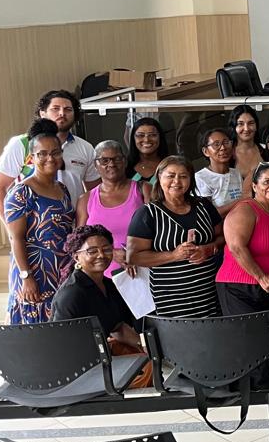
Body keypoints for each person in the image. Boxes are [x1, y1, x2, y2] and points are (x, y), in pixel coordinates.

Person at [51, 225, 153, 389]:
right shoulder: (72, 293)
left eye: (106, 249)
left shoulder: (108, 285)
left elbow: (118, 327)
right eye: (92, 251)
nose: (101, 255)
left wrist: (146, 345)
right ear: (77, 257)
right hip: (77, 366)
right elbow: (61, 344)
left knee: (148, 363)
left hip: (101, 356)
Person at [126, 155, 224, 319]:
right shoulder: (148, 213)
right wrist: (173, 255)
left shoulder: (204, 206)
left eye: (183, 176)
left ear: (191, 180)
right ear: (159, 177)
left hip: (210, 295)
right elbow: (133, 256)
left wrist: (208, 249)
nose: (177, 181)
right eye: (170, 176)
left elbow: (222, 237)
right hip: (172, 301)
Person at [217, 163, 269, 333]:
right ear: (254, 186)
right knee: (249, 341)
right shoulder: (245, 209)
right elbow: (236, 247)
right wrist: (261, 277)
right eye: (267, 181)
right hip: (241, 288)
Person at [4, 122, 76, 324]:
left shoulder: (62, 188)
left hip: (60, 270)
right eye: (42, 154)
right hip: (34, 272)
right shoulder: (21, 192)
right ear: (31, 158)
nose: (50, 158)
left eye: (55, 153)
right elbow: (16, 238)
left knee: (59, 323)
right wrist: (26, 277)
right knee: (36, 328)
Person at [0, 90, 98, 222]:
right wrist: (12, 227)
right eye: (55, 109)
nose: (62, 113)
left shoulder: (85, 148)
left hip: (73, 227)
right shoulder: (22, 144)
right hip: (33, 230)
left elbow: (95, 193)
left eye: (68, 109)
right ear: (42, 113)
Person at [76, 139, 148, 277]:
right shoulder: (86, 199)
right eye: (104, 160)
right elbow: (79, 241)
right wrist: (112, 252)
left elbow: (158, 230)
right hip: (101, 277)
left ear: (125, 161)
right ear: (95, 165)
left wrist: (133, 254)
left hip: (143, 273)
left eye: (117, 159)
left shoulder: (143, 190)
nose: (111, 164)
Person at [194, 128, 243, 217]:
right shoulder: (200, 178)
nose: (223, 148)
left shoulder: (236, 173)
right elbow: (209, 215)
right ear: (206, 151)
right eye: (216, 144)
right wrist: (242, 201)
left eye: (226, 143)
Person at [126, 117, 168, 188]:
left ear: (160, 137)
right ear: (133, 138)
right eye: (140, 135)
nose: (146, 140)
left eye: (152, 135)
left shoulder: (170, 165)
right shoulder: (124, 167)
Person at [230, 105, 265, 182]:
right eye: (240, 124)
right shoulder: (226, 153)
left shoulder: (266, 151)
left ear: (256, 126)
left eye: (251, 123)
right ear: (234, 127)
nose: (246, 129)